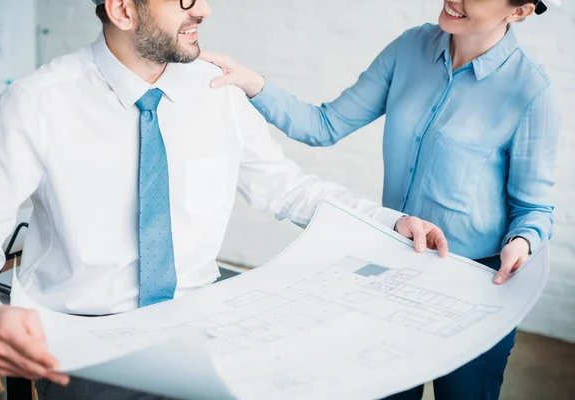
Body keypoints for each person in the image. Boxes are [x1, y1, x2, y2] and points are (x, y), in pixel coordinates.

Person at [0, 0, 449, 398]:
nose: (203, 9)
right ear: (122, 9)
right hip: (84, 341)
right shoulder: (39, 103)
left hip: (197, 328)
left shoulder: (215, 89)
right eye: (183, 0)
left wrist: (386, 222)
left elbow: (289, 188)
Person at [199, 0, 561, 399]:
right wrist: (252, 82)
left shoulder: (531, 90)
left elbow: (533, 209)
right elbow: (324, 125)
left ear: (521, 11)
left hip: (477, 287)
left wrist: (521, 243)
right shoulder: (411, 47)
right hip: (398, 271)